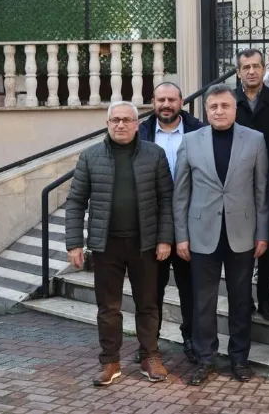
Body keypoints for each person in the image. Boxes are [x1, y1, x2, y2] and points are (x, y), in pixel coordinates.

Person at [65, 101, 173, 387]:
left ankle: (150, 356)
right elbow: (75, 201)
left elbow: (166, 200)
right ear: (107, 123)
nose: (121, 125)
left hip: (145, 244)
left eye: (127, 120)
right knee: (108, 307)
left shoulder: (154, 154)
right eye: (115, 120)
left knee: (148, 304)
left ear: (137, 124)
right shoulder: (90, 156)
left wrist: (164, 239)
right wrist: (74, 243)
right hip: (106, 245)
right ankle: (110, 361)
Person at [173, 84, 269, 386]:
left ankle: (239, 358)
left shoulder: (255, 140)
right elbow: (181, 194)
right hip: (201, 235)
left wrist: (262, 233)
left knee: (241, 301)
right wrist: (181, 235)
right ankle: (205, 359)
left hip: (242, 233)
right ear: (206, 110)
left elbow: (261, 191)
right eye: (213, 106)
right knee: (203, 302)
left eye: (225, 106)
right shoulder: (190, 141)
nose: (219, 111)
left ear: (235, 108)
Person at [138, 81, 204, 364]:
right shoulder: (141, 133)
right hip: (153, 224)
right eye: (161, 100)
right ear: (153, 102)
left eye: (172, 100)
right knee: (152, 289)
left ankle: (191, 340)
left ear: (181, 102)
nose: (166, 105)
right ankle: (149, 345)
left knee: (191, 289)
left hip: (190, 221)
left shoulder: (198, 130)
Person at [234, 49, 269, 321]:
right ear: (238, 72)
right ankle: (245, 301)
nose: (251, 71)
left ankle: (266, 301)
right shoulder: (230, 102)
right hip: (238, 183)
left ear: (264, 68)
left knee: (265, 245)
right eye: (246, 67)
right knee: (242, 248)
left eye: (256, 66)